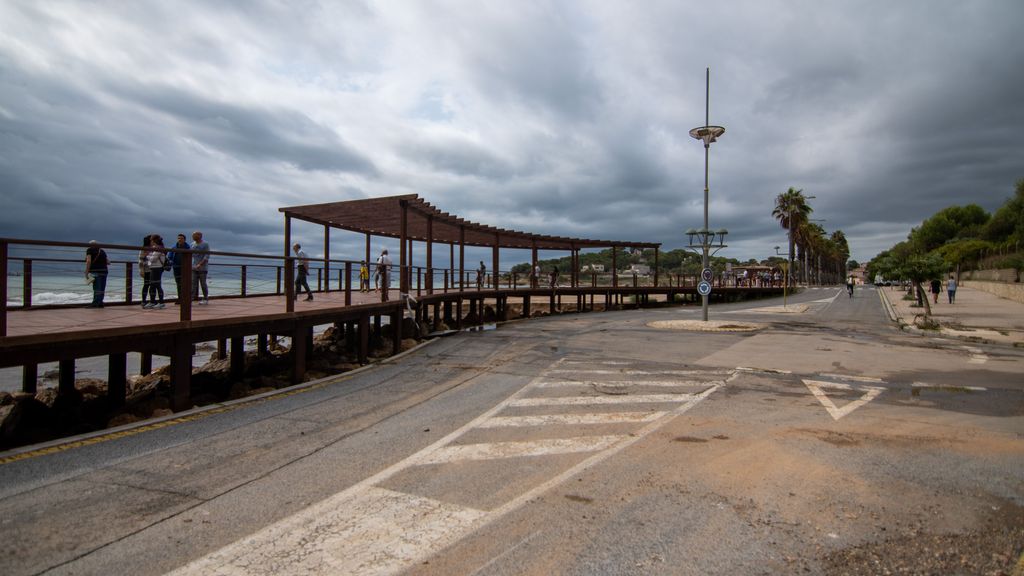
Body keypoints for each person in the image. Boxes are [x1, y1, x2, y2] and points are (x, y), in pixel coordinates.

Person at [84, 240, 108, 308]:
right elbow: (108, 262)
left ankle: (95, 303)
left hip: (96, 271)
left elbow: (88, 261)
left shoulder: (89, 250)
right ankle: (100, 303)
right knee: (102, 288)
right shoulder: (102, 251)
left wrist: (86, 272)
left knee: (96, 288)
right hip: (104, 271)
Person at [145, 235, 167, 309]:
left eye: (151, 240)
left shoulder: (158, 248)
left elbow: (153, 259)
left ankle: (161, 302)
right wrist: (149, 256)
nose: (150, 242)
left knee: (157, 285)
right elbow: (152, 258)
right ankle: (152, 301)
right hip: (153, 268)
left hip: (157, 268)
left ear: (154, 241)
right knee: (152, 285)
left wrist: (147, 256)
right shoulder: (156, 248)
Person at [167, 233, 189, 300]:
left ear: (184, 240)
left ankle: (185, 298)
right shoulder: (174, 247)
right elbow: (170, 256)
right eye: (179, 238)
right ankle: (180, 298)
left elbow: (189, 256)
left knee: (185, 283)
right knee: (178, 283)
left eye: (181, 238)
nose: (180, 240)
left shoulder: (187, 247)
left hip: (185, 267)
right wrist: (170, 262)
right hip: (176, 267)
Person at [191, 231, 210, 304]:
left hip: (203, 268)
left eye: (194, 235)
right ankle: (191, 298)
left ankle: (205, 298)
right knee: (193, 283)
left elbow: (207, 256)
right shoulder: (192, 244)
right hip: (193, 267)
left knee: (203, 283)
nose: (192, 236)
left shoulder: (205, 244)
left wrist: (200, 264)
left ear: (199, 236)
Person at [138, 235, 152, 308]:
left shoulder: (153, 248)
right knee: (146, 285)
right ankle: (144, 300)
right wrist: (141, 270)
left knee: (152, 285)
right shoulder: (143, 249)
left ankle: (151, 300)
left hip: (153, 269)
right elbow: (140, 260)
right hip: (147, 269)